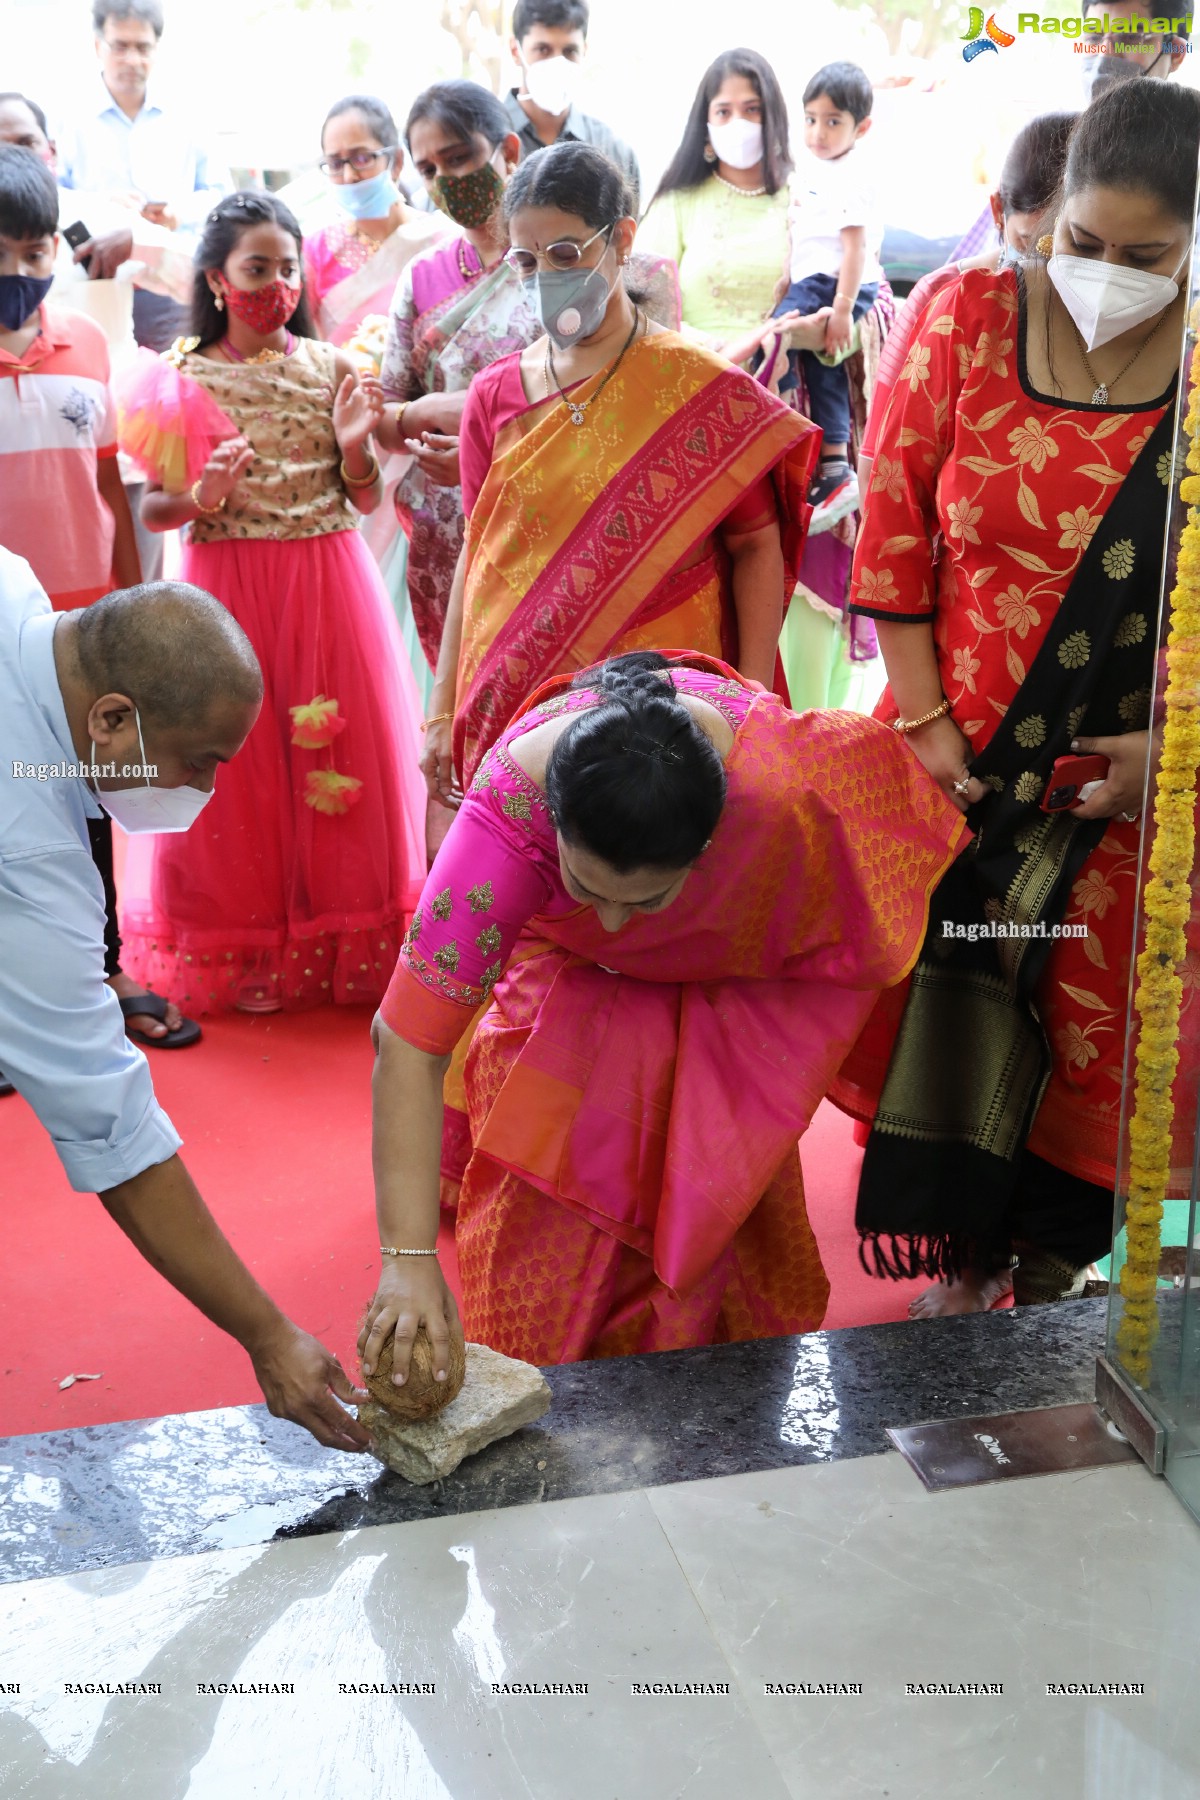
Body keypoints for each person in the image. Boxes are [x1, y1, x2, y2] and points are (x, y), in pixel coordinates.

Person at [833, 80, 1200, 1315]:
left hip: (1137, 799)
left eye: (1145, 256)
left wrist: (1171, 754)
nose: (1100, 271)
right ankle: (964, 1260)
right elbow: (890, 541)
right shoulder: (967, 311)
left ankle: (1045, 1274)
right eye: (1080, 241)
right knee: (961, 1002)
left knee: (1094, 1054)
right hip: (957, 774)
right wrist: (930, 728)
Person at [359, 650, 965, 1376]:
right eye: (589, 887)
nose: (614, 925)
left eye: (647, 900)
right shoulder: (506, 817)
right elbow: (409, 1042)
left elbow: (885, 850)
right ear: (553, 824)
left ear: (713, 843)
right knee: (537, 1275)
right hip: (555, 1007)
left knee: (724, 1291)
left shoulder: (777, 790)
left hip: (724, 1004)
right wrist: (408, 1260)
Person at [0, 550, 370, 1452]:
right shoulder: (28, 853)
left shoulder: (18, 585)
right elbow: (109, 1124)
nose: (204, 790)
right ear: (114, 719)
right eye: (197, 762)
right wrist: (268, 1333)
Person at [421, 138, 819, 811]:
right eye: (527, 261)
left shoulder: (698, 390)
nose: (546, 275)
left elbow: (755, 544)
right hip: (513, 714)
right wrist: (439, 710)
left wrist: (749, 702)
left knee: (653, 894)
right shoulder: (494, 396)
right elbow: (476, 555)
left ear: (622, 239)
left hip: (665, 715)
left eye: (567, 254)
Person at [116, 190, 426, 1016]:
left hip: (328, 582)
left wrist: (359, 449)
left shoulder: (331, 369)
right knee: (235, 763)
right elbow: (153, 510)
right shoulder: (179, 373)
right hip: (228, 590)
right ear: (217, 278)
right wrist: (203, 496)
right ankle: (243, 941)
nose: (276, 284)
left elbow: (361, 501)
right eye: (258, 269)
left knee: (339, 760)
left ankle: (338, 941)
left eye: (288, 268)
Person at [0, 143, 199, 1065]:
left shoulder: (87, 342)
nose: (20, 271)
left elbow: (112, 492)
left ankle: (104, 971)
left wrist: (126, 603)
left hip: (79, 633)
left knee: (84, 800)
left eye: (36, 251)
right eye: (1, 250)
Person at [374, 81, 541, 694]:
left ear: (509, 151)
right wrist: (425, 417)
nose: (446, 179)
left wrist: (476, 417)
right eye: (427, 168)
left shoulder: (560, 261)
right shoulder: (422, 277)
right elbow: (387, 417)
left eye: (460, 157)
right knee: (468, 713)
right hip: (453, 529)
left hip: (552, 511)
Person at [859, 111, 1079, 499]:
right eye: (1030, 244)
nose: (1047, 265)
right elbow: (879, 468)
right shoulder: (940, 296)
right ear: (998, 211)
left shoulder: (1107, 313)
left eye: (1068, 247)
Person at [56, 0, 231, 351]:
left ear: (156, 50)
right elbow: (51, 200)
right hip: (95, 285)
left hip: (174, 282)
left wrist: (177, 213)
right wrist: (101, 206)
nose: (132, 59)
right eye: (120, 46)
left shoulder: (187, 116)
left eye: (142, 47)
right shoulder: (67, 119)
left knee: (175, 389)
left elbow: (222, 196)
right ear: (97, 46)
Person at [770, 61, 883, 531]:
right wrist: (785, 279)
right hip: (811, 278)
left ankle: (781, 434)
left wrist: (841, 309)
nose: (818, 131)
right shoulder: (811, 170)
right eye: (811, 119)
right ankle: (834, 465)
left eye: (833, 121)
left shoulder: (852, 175)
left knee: (774, 342)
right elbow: (801, 235)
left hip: (840, 282)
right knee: (821, 364)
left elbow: (855, 248)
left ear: (862, 127)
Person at [636, 48, 797, 367]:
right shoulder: (677, 202)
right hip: (695, 381)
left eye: (752, 109)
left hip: (786, 388)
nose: (739, 123)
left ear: (773, 117)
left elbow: (841, 296)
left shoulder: (804, 200)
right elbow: (639, 306)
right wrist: (723, 352)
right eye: (724, 112)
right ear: (706, 123)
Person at [303, 93, 446, 348]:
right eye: (335, 163)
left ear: (397, 162)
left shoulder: (442, 241)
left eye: (361, 159)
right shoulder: (313, 252)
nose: (349, 176)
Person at [503, 0, 641, 210]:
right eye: (543, 49)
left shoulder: (613, 151)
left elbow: (626, 235)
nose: (557, 63)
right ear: (515, 50)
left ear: (584, 51)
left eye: (570, 51)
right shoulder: (482, 143)